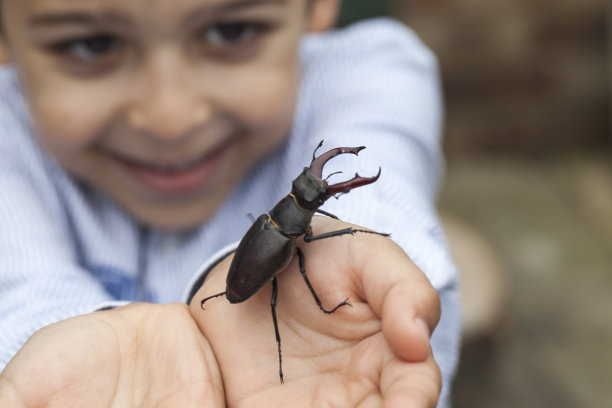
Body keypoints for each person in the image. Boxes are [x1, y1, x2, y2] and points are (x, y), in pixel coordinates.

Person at [0, 0, 460, 406]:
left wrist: (363, 257)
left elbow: (374, 213)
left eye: (231, 31)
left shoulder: (369, 70)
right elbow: (19, 293)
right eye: (92, 43)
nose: (171, 119)